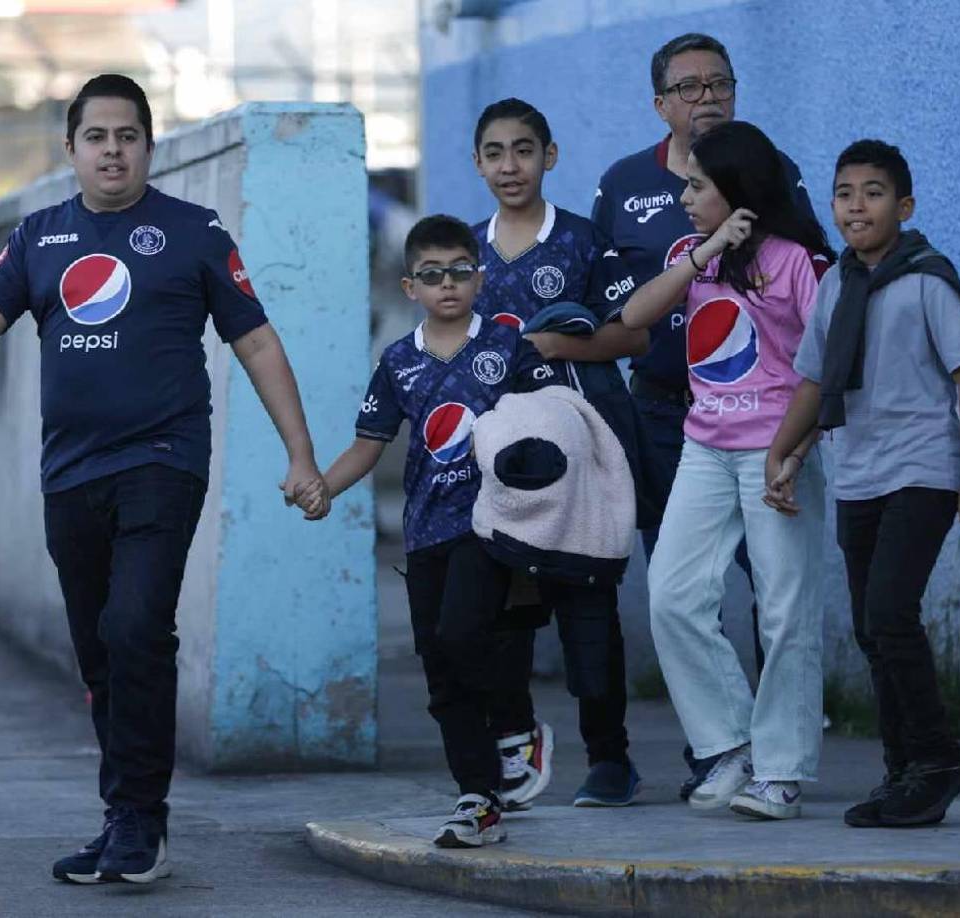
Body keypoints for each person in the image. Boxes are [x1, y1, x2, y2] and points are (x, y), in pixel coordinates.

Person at [0, 74, 328, 885]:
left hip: (163, 460)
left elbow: (259, 344)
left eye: (126, 136)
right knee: (102, 654)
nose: (111, 150)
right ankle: (125, 814)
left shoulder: (195, 234)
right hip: (71, 473)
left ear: (148, 145)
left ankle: (140, 819)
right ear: (71, 149)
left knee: (137, 627)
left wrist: (300, 454)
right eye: (96, 137)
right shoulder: (38, 239)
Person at [591, 31, 824, 796]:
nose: (684, 198)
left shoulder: (792, 261)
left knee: (785, 610)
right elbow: (632, 315)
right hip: (698, 441)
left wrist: (794, 449)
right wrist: (704, 245)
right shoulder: (696, 249)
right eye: (689, 87)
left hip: (771, 449)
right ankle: (727, 749)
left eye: (698, 188)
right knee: (673, 596)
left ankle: (782, 770)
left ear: (733, 184)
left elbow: (822, 365)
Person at [766, 140, 960, 828]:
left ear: (904, 206)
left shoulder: (927, 278)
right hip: (858, 474)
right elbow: (816, 380)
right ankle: (905, 772)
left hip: (922, 469)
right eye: (844, 193)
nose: (856, 205)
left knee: (891, 615)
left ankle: (937, 757)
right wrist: (784, 454)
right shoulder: (838, 283)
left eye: (872, 192)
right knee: (872, 628)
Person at [320, 215, 558, 847]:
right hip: (425, 531)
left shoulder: (509, 348)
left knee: (463, 633)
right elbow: (368, 445)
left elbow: (556, 421)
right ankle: (478, 799)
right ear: (410, 288)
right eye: (432, 275)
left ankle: (516, 726)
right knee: (439, 666)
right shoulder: (398, 362)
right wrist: (322, 486)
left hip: (493, 524)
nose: (447, 284)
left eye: (459, 271)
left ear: (479, 277)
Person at [469, 98, 650, 809]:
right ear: (477, 163)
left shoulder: (583, 242)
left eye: (523, 149)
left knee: (587, 610)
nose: (509, 166)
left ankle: (611, 759)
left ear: (550, 155)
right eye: (494, 153)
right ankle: (514, 751)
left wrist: (557, 346)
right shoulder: (469, 253)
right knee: (505, 612)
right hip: (503, 464)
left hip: (583, 455)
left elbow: (632, 336)